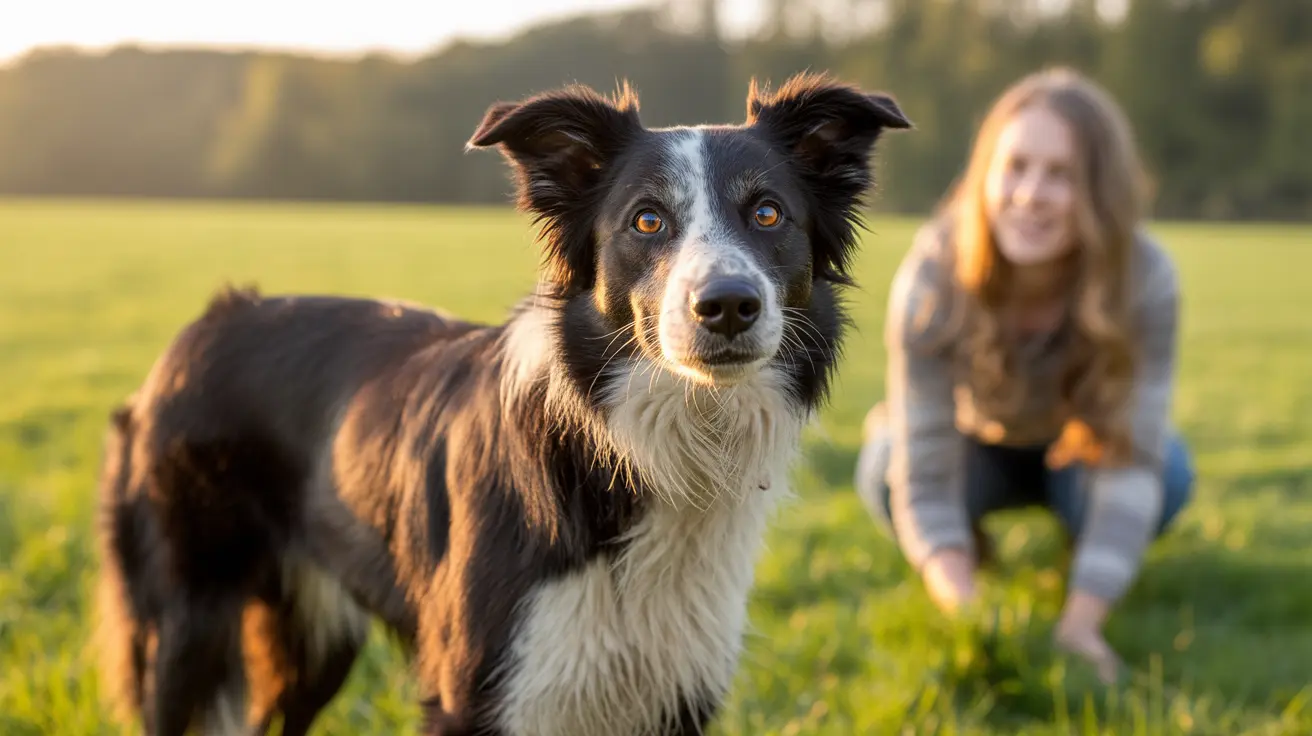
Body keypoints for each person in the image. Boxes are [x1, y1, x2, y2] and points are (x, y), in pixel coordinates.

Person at [854, 67, 1193, 684]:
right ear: (985, 175)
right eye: (1015, 167)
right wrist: (969, 617)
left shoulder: (1146, 278)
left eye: (1061, 174)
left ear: (1101, 190)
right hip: (973, 442)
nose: (1031, 194)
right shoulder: (933, 272)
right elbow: (924, 468)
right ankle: (970, 553)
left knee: (1167, 473)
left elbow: (1130, 460)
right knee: (885, 467)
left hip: (1081, 447)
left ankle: (1086, 558)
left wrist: (1081, 626)